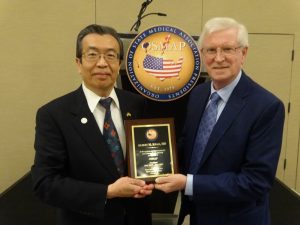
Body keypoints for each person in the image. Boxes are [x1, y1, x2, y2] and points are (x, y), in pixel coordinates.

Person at [155, 17, 285, 225]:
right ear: (202, 55)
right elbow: (188, 145)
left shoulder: (266, 107)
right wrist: (151, 161)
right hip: (198, 215)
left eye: (227, 49)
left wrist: (188, 183)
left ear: (243, 53)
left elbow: (255, 182)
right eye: (211, 50)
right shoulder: (198, 95)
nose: (219, 58)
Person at [31, 24, 154, 225]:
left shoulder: (137, 104)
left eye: (111, 55)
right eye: (92, 55)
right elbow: (45, 183)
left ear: (120, 62)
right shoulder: (54, 115)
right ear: (78, 63)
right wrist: (107, 192)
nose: (102, 63)